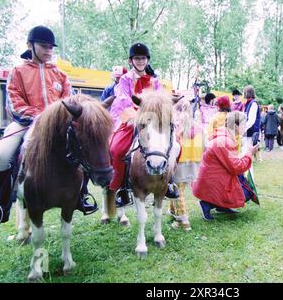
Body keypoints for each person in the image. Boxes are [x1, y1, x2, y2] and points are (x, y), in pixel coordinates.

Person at [0, 26, 97, 229]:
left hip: (57, 125)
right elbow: (13, 103)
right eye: (44, 46)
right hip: (25, 123)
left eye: (51, 47)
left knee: (80, 147)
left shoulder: (61, 75)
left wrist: (59, 118)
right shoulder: (17, 72)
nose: (48, 51)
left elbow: (70, 99)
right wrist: (38, 116)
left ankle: (81, 196)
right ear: (29, 45)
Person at [108, 42, 179, 208]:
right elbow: (122, 100)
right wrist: (136, 116)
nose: (140, 61)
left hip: (153, 120)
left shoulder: (154, 81)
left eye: (143, 58)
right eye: (137, 58)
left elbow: (161, 98)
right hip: (131, 118)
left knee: (176, 146)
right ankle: (122, 188)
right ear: (131, 61)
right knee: (117, 149)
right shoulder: (124, 80)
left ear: (147, 60)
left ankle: (169, 182)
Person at [193, 111, 260, 220]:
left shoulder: (223, 136)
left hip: (210, 180)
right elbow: (235, 167)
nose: (245, 126)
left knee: (242, 181)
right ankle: (207, 204)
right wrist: (249, 153)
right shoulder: (224, 141)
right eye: (243, 123)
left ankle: (222, 206)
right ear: (235, 125)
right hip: (211, 183)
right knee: (247, 192)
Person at [169, 99, 204, 230]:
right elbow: (204, 146)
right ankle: (173, 210)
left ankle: (183, 221)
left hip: (179, 161)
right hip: (194, 161)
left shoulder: (176, 126)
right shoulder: (198, 126)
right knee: (179, 187)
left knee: (178, 190)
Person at [242, 85, 261, 158]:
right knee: (245, 153)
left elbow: (251, 120)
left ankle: (248, 169)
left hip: (251, 132)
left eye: (244, 92)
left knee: (247, 154)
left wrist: (243, 129)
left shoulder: (253, 103)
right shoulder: (247, 103)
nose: (243, 94)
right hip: (247, 132)